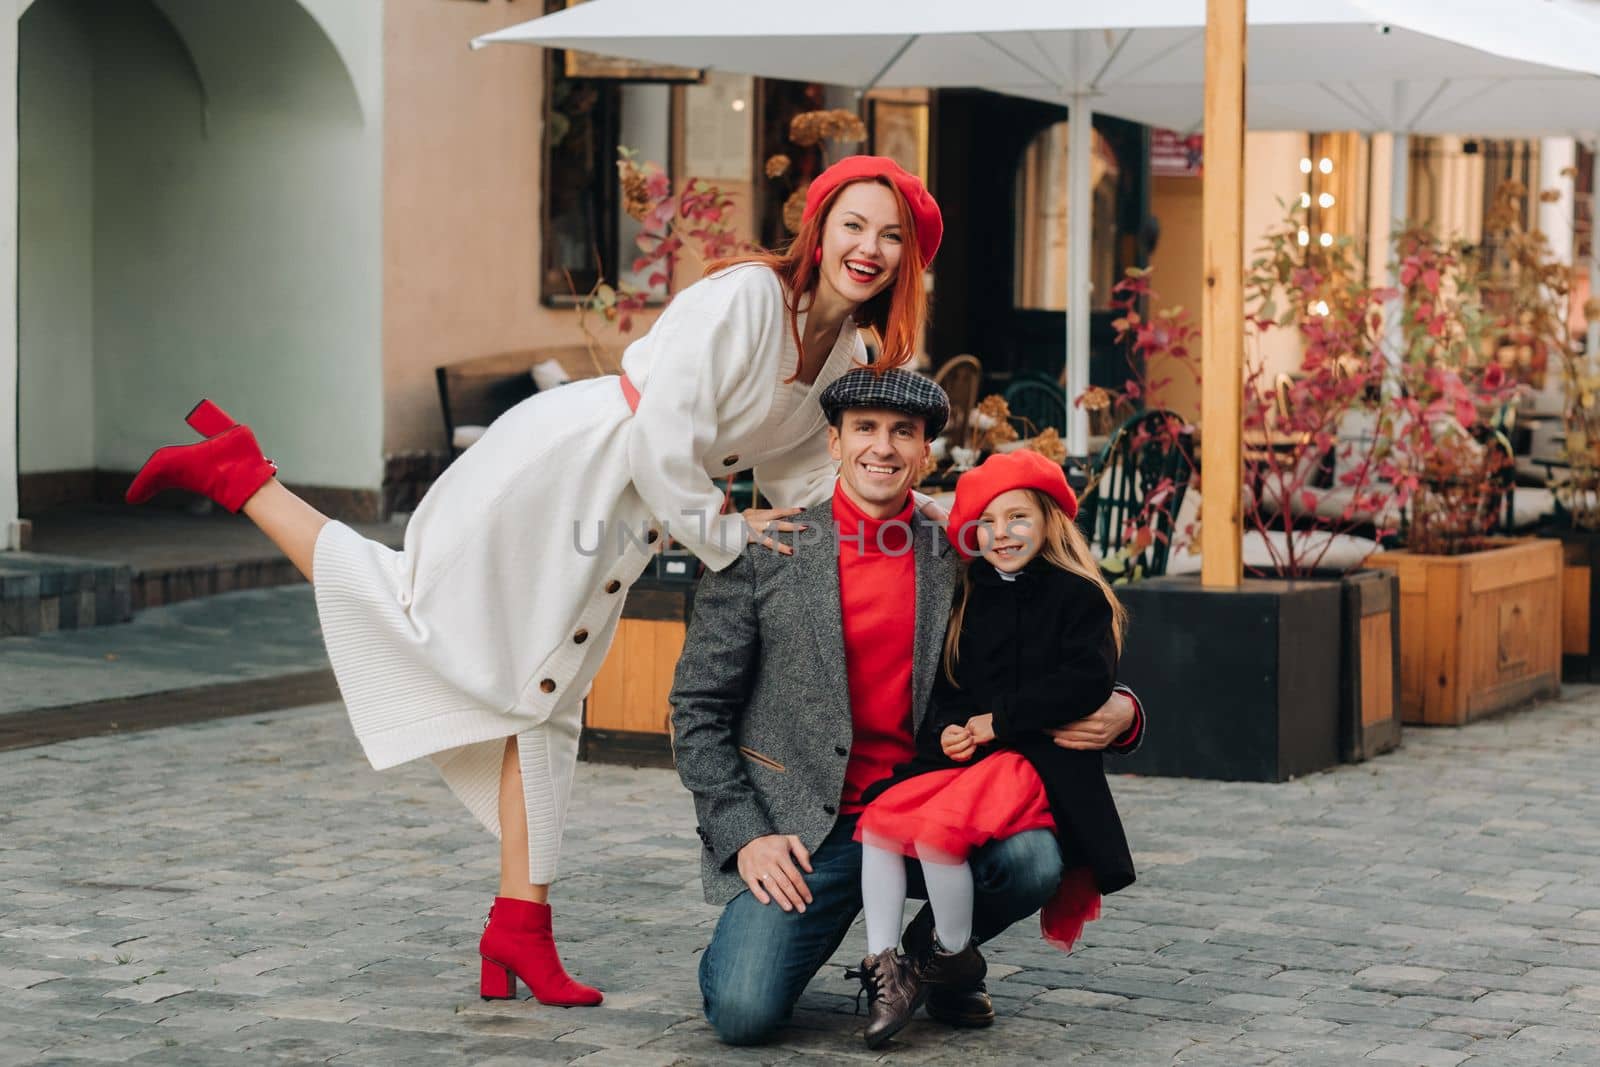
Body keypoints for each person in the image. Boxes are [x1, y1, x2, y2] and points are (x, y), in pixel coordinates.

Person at [119, 155, 944, 1007]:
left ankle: (521, 924)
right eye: (854, 224)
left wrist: (924, 526)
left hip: (628, 514)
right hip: (570, 468)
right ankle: (243, 477)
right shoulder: (747, 299)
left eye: (891, 235)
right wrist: (728, 533)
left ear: (908, 261)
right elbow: (662, 436)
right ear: (819, 226)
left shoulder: (845, 350)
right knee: (425, 618)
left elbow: (812, 478)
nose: (869, 247)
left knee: (547, 702)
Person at [670, 368, 1145, 1047]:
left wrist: (1125, 708)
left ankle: (931, 960)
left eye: (904, 433)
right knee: (744, 1011)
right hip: (808, 827)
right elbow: (696, 707)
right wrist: (744, 831)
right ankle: (773, 943)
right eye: (864, 428)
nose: (883, 448)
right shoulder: (766, 550)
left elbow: (1060, 629)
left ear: (924, 452)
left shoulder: (960, 550)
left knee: (1035, 858)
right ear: (833, 441)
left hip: (936, 800)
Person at [851, 449, 1136, 1048]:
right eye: (987, 522)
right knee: (879, 824)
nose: (1001, 534)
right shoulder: (969, 593)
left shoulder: (1078, 594)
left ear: (1051, 522)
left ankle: (949, 954)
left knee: (938, 834)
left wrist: (995, 723)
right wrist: (953, 729)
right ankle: (886, 967)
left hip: (1030, 761)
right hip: (968, 756)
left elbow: (1084, 683)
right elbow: (952, 685)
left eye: (1018, 519)